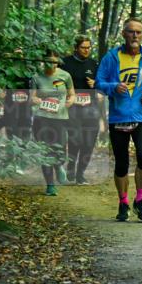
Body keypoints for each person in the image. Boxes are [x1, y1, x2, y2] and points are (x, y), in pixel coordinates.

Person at [96, 18, 142, 222]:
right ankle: (123, 202)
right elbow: (99, 82)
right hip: (118, 116)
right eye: (131, 31)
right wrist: (113, 87)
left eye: (139, 32)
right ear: (124, 34)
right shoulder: (111, 57)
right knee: (121, 163)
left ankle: (140, 199)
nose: (135, 35)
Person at [30, 49, 75, 196]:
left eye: (55, 62)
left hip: (60, 118)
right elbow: (31, 97)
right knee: (45, 151)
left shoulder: (65, 75)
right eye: (49, 62)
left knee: (60, 149)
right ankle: (50, 185)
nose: (52, 65)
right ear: (44, 61)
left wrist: (69, 102)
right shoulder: (36, 77)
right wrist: (37, 100)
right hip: (41, 119)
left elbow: (72, 94)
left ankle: (58, 165)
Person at [60, 35, 102, 184]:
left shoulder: (94, 64)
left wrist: (96, 84)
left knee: (89, 142)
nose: (86, 50)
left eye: (89, 47)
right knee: (75, 140)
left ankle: (80, 174)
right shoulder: (65, 63)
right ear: (76, 48)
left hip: (91, 108)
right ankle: (71, 169)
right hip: (72, 108)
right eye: (83, 47)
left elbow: (103, 85)